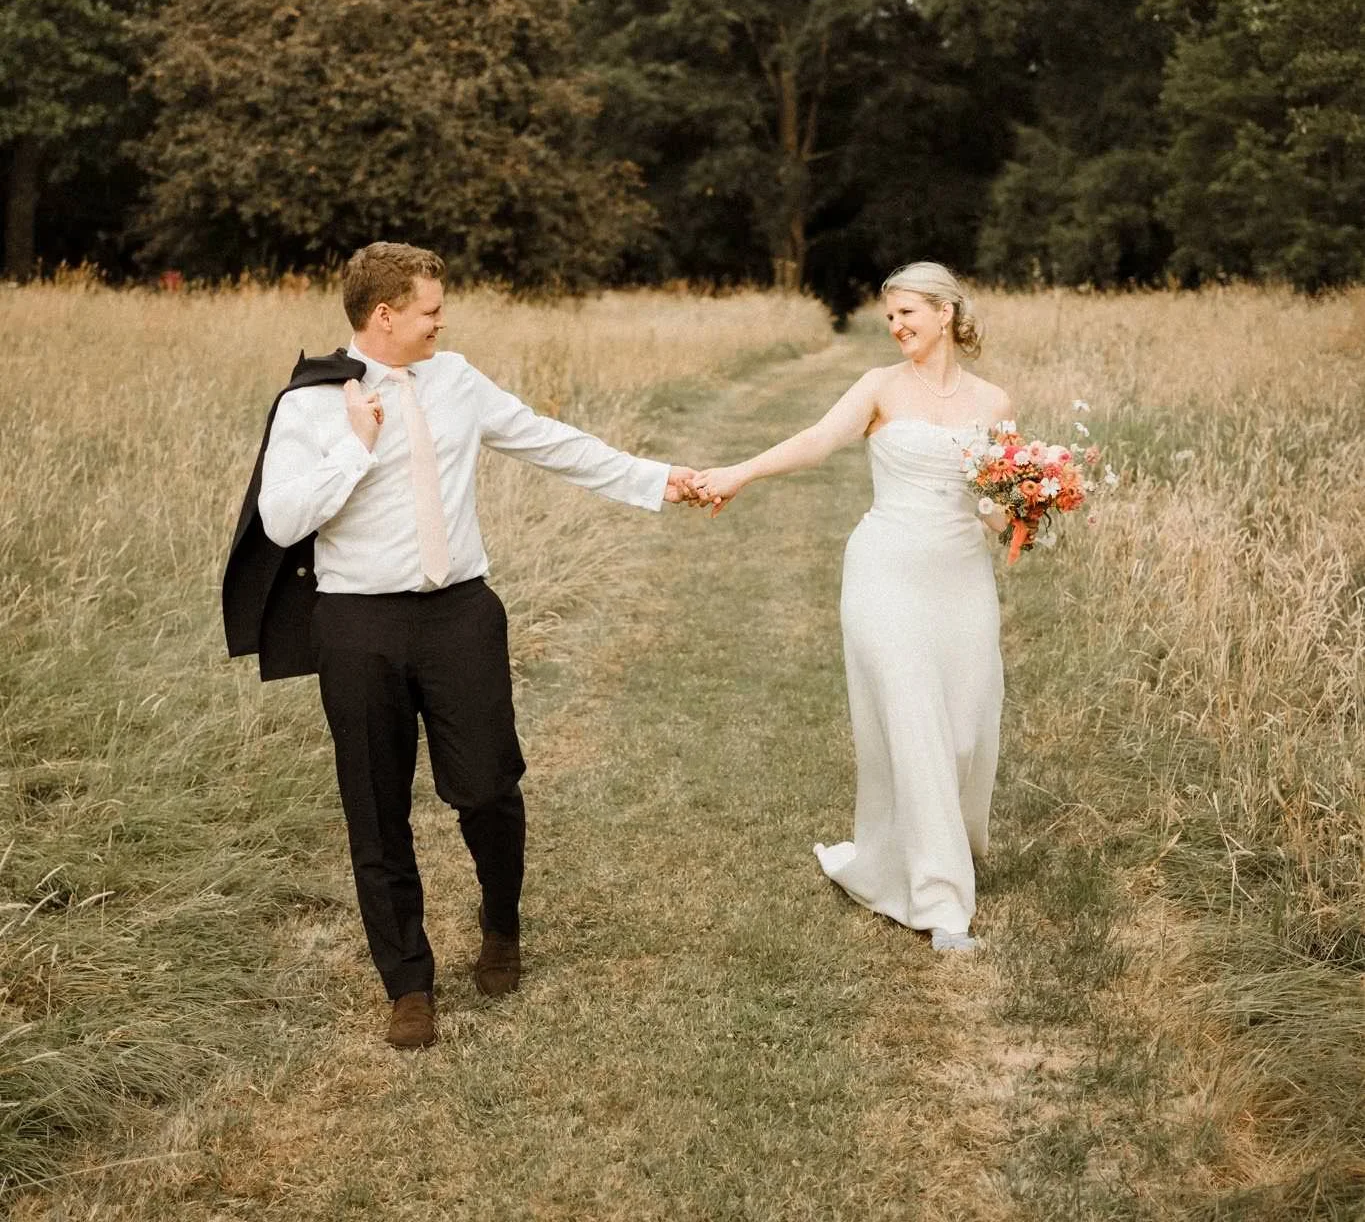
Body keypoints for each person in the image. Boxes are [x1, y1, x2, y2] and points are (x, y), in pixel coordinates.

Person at [226, 241, 702, 1050]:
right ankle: (407, 983)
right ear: (385, 316)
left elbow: (551, 442)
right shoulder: (310, 405)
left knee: (486, 789)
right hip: (357, 625)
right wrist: (355, 445)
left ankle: (501, 921)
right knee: (375, 811)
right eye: (430, 310)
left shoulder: (457, 381)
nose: (441, 321)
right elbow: (280, 522)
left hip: (460, 616)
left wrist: (661, 479)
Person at [693, 261, 1010, 952]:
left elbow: (990, 505)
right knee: (913, 720)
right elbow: (814, 442)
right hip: (885, 572)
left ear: (946, 313)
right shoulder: (878, 387)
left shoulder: (993, 402)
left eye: (907, 314)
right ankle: (941, 905)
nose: (895, 326)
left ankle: (912, 850)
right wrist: (739, 472)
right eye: (889, 316)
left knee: (961, 730)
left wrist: (1033, 509)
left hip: (960, 576)